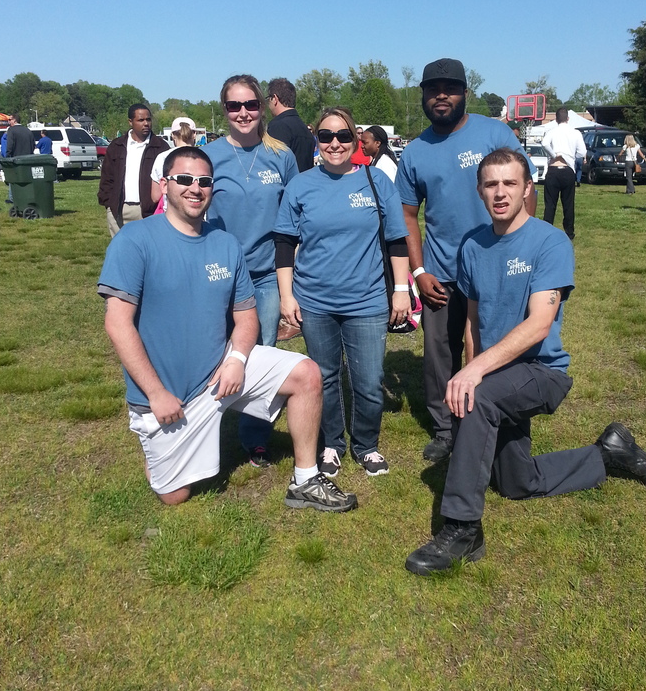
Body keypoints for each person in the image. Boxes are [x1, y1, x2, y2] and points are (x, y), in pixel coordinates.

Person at [405, 149, 646, 574]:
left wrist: (475, 374)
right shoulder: (472, 244)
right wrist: (472, 369)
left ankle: (463, 529)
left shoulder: (549, 241)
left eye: (509, 184)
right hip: (497, 374)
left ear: (527, 189)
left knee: (480, 396)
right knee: (517, 483)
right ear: (480, 191)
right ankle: (608, 454)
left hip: (542, 371)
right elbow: (472, 322)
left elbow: (540, 325)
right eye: (491, 185)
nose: (500, 193)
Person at [98, 145, 357, 513]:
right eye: (184, 179)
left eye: (204, 181)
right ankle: (154, 441)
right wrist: (156, 393)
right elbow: (117, 324)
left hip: (222, 373)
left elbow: (247, 315)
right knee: (176, 496)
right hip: (169, 395)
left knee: (307, 373)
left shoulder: (225, 244)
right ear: (165, 184)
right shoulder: (135, 240)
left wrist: (236, 359)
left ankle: (305, 480)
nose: (195, 188)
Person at [395, 58, 536, 463]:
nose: (442, 95)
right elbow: (407, 216)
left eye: (450, 88)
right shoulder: (415, 151)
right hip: (441, 274)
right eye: (433, 88)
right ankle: (445, 428)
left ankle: (493, 420)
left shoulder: (494, 132)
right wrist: (419, 272)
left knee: (493, 347)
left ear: (464, 94)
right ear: (422, 95)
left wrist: (525, 250)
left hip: (496, 267)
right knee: (440, 352)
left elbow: (525, 190)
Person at [275, 106, 411, 478]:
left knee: (368, 381)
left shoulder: (376, 180)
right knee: (326, 378)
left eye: (343, 136)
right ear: (316, 140)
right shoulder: (301, 185)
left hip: (366, 301)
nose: (334, 143)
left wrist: (401, 290)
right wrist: (287, 296)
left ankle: (366, 445)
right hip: (314, 301)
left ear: (355, 139)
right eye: (325, 136)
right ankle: (332, 444)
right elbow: (285, 244)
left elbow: (396, 240)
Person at [206, 75, 299, 468]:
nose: (243, 113)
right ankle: (201, 432)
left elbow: (298, 215)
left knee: (260, 354)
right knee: (210, 353)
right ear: (224, 110)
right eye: (234, 106)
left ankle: (255, 436)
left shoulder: (282, 156)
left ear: (262, 106)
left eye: (250, 105)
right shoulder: (208, 156)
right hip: (217, 274)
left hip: (264, 276)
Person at [98, 104, 169, 237]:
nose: (146, 123)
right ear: (130, 122)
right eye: (141, 120)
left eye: (148, 119)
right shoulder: (116, 146)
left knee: (148, 252)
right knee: (121, 253)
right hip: (118, 209)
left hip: (148, 211)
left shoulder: (160, 147)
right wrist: (109, 203)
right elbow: (107, 178)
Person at [540, 107, 585, 239]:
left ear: (556, 119)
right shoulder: (575, 133)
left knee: (550, 204)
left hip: (553, 169)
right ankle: (569, 232)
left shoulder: (552, 131)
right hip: (567, 169)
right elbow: (582, 152)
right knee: (568, 203)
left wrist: (554, 155)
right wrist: (570, 157)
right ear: (568, 119)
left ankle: (546, 231)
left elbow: (544, 143)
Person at [266, 78, 315, 173]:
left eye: (268, 99)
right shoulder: (304, 128)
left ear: (275, 99)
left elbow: (273, 165)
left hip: (286, 185)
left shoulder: (278, 127)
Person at [150, 116, 197, 211]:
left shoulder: (162, 157)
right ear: (194, 134)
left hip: (171, 214)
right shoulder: (203, 158)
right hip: (198, 214)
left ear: (172, 135)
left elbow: (155, 197)